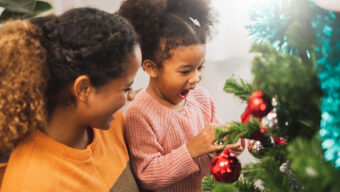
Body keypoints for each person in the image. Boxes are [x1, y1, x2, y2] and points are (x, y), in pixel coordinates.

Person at [0, 8, 141, 192]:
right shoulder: (31, 184)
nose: (131, 95)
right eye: (126, 88)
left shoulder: (111, 126)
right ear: (83, 89)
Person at [118, 0, 243, 191]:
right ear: (152, 68)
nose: (196, 78)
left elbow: (215, 142)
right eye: (185, 71)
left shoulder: (201, 98)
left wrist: (230, 143)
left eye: (200, 67)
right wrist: (190, 151)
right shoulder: (138, 114)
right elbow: (146, 175)